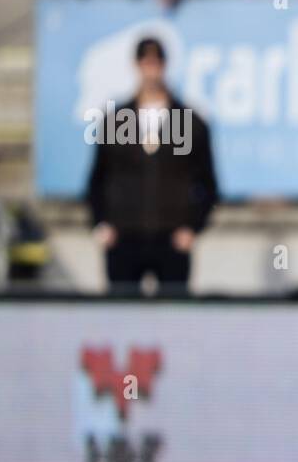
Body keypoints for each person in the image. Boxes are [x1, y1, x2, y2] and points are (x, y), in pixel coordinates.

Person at [86, 38, 219, 294]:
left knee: (172, 316)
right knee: (122, 317)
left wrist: (193, 227)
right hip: (124, 236)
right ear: (137, 65)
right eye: (146, 62)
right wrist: (100, 224)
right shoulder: (116, 120)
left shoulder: (190, 122)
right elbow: (98, 178)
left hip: (172, 238)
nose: (151, 69)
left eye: (156, 62)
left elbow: (209, 183)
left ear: (164, 65)